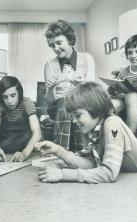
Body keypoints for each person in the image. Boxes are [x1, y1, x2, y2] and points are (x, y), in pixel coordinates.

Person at [35, 82, 137, 184]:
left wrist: (63, 174)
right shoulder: (90, 127)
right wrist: (58, 151)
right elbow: (91, 163)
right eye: (72, 116)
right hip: (123, 164)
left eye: (78, 115)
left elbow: (109, 174)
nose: (73, 121)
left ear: (97, 110)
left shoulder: (112, 123)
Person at [43, 20, 95, 151]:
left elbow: (92, 92)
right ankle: (63, 152)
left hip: (83, 102)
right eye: (51, 45)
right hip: (57, 107)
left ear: (70, 40)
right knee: (65, 102)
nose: (55, 48)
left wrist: (82, 85)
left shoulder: (87, 58)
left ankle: (79, 153)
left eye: (59, 43)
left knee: (75, 105)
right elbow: (49, 101)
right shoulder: (49, 65)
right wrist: (50, 88)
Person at [0, 76, 41, 162]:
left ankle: (5, 147)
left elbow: (37, 132)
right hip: (6, 135)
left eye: (13, 96)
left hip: (23, 136)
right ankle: (2, 147)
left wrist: (25, 153)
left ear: (19, 93)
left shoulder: (27, 102)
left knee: (29, 136)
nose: (9, 101)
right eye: (5, 97)